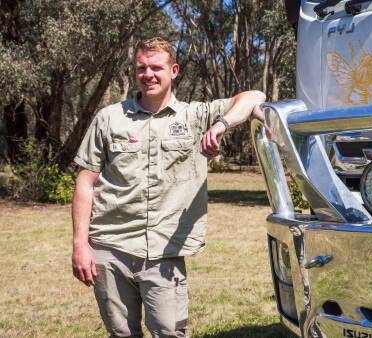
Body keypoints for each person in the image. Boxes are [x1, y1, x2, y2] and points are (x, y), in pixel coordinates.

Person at [71, 36, 266, 337]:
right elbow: (85, 181)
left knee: (169, 332)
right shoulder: (109, 119)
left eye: (156, 67)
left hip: (164, 254)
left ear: (174, 70)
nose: (148, 74)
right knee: (121, 333)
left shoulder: (195, 116)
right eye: (141, 68)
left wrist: (221, 125)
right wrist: (80, 245)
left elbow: (255, 96)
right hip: (110, 248)